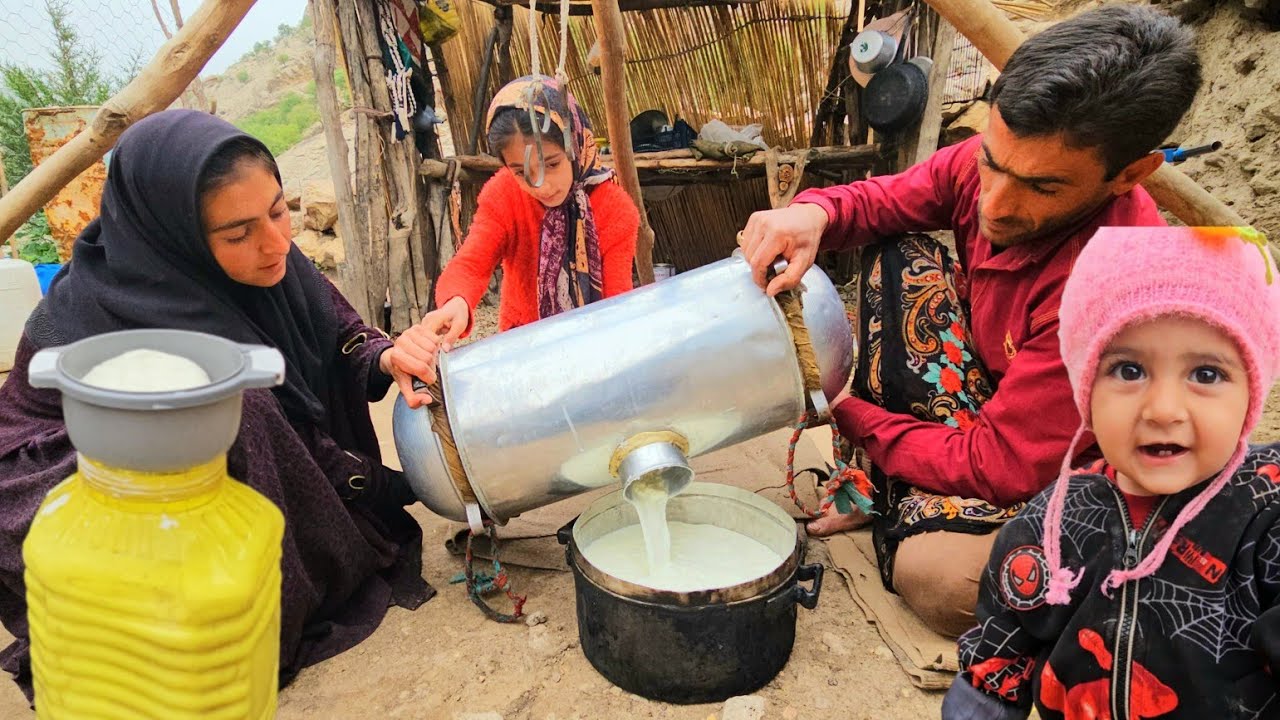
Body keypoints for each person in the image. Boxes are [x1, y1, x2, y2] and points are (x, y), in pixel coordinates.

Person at [736, 5, 1201, 636]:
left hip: (1072, 466)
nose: (995, 204)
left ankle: (895, 490)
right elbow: (882, 200)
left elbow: (1001, 465)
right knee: (896, 252)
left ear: (1130, 175)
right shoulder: (999, 167)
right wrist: (812, 213)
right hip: (994, 392)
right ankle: (894, 481)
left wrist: (844, 411)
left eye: (1041, 189)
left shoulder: (1116, 292)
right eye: (992, 162)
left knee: (945, 581)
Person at [0, 110, 442, 701]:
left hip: (208, 449)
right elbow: (280, 435)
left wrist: (387, 358)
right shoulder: (100, 310)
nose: (275, 242)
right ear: (173, 235)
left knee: (238, 416)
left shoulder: (274, 258)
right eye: (238, 234)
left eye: (279, 210)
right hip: (73, 468)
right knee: (229, 414)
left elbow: (337, 328)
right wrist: (384, 486)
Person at [942, 226, 1280, 719]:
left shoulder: (1266, 512)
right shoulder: (1049, 523)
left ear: (1253, 392)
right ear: (1085, 387)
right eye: (1129, 370)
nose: (1164, 409)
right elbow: (1000, 656)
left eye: (1206, 374)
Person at [419, 75, 638, 358]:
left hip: (595, 349)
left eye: (552, 164)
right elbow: (472, 264)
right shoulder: (505, 195)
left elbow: (618, 306)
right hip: (522, 349)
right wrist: (457, 301)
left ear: (576, 146)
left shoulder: (615, 210)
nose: (540, 186)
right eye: (522, 173)